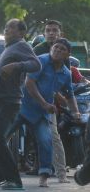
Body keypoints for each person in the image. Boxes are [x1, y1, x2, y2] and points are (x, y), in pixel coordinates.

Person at [0, 19, 41, 190]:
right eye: (6, 26)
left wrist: (17, 65)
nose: (7, 29)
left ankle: (14, 180)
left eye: (12, 27)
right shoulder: (6, 51)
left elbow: (36, 64)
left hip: (9, 101)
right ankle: (1, 175)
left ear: (21, 33)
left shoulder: (22, 45)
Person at [17, 38, 79, 187]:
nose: (58, 50)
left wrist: (76, 112)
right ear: (51, 49)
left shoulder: (66, 73)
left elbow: (69, 95)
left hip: (41, 114)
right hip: (21, 107)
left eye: (62, 49)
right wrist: (44, 103)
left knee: (46, 142)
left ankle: (44, 176)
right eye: (56, 47)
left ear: (67, 55)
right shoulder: (41, 61)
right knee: (0, 135)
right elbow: (29, 83)